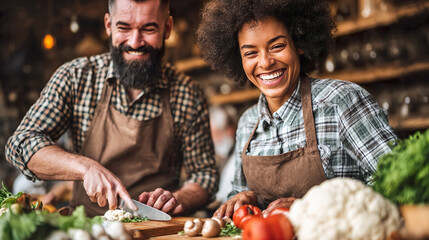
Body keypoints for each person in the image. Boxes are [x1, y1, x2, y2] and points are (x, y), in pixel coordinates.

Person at [5, 0, 218, 217]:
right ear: (108, 25)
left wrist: (179, 198)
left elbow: (205, 175)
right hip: (88, 229)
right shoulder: (75, 78)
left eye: (148, 29)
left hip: (158, 229)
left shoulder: (188, 93)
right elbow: (21, 144)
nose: (135, 42)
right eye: (123, 28)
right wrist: (85, 167)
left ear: (168, 28)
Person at [197, 0, 397, 218]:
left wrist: (314, 208)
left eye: (277, 46)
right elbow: (238, 195)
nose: (265, 62)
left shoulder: (341, 101)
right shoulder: (247, 123)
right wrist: (242, 198)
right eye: (250, 53)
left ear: (299, 43)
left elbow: (397, 182)